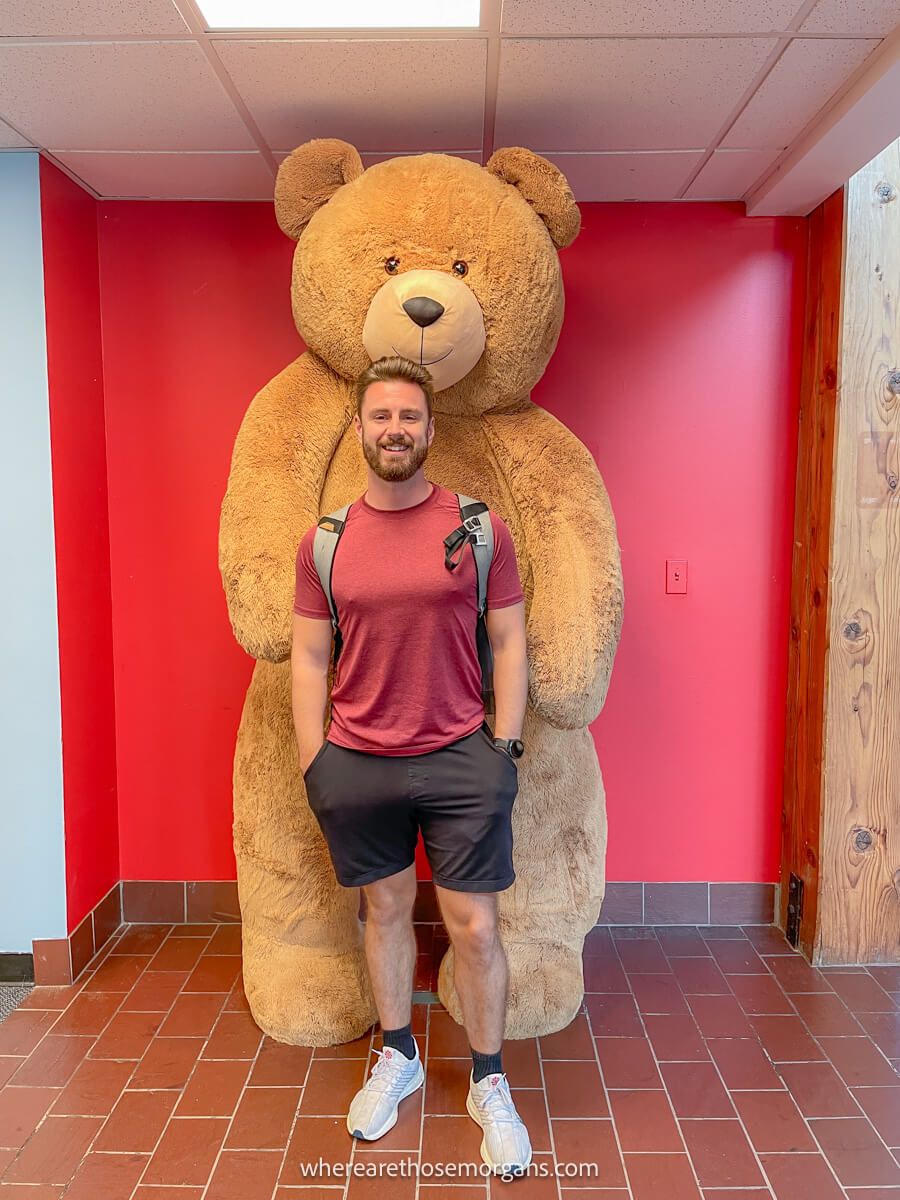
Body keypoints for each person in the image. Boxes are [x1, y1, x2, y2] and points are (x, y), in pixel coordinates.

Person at [291, 355, 531, 1174]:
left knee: (477, 926)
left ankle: (490, 1080)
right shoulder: (327, 542)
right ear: (360, 428)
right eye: (382, 416)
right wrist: (315, 761)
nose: (396, 429)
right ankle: (400, 1054)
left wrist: (504, 747)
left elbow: (507, 640)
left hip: (464, 756)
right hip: (358, 759)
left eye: (410, 417)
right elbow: (308, 657)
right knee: (385, 913)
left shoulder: (477, 526)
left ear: (431, 429)